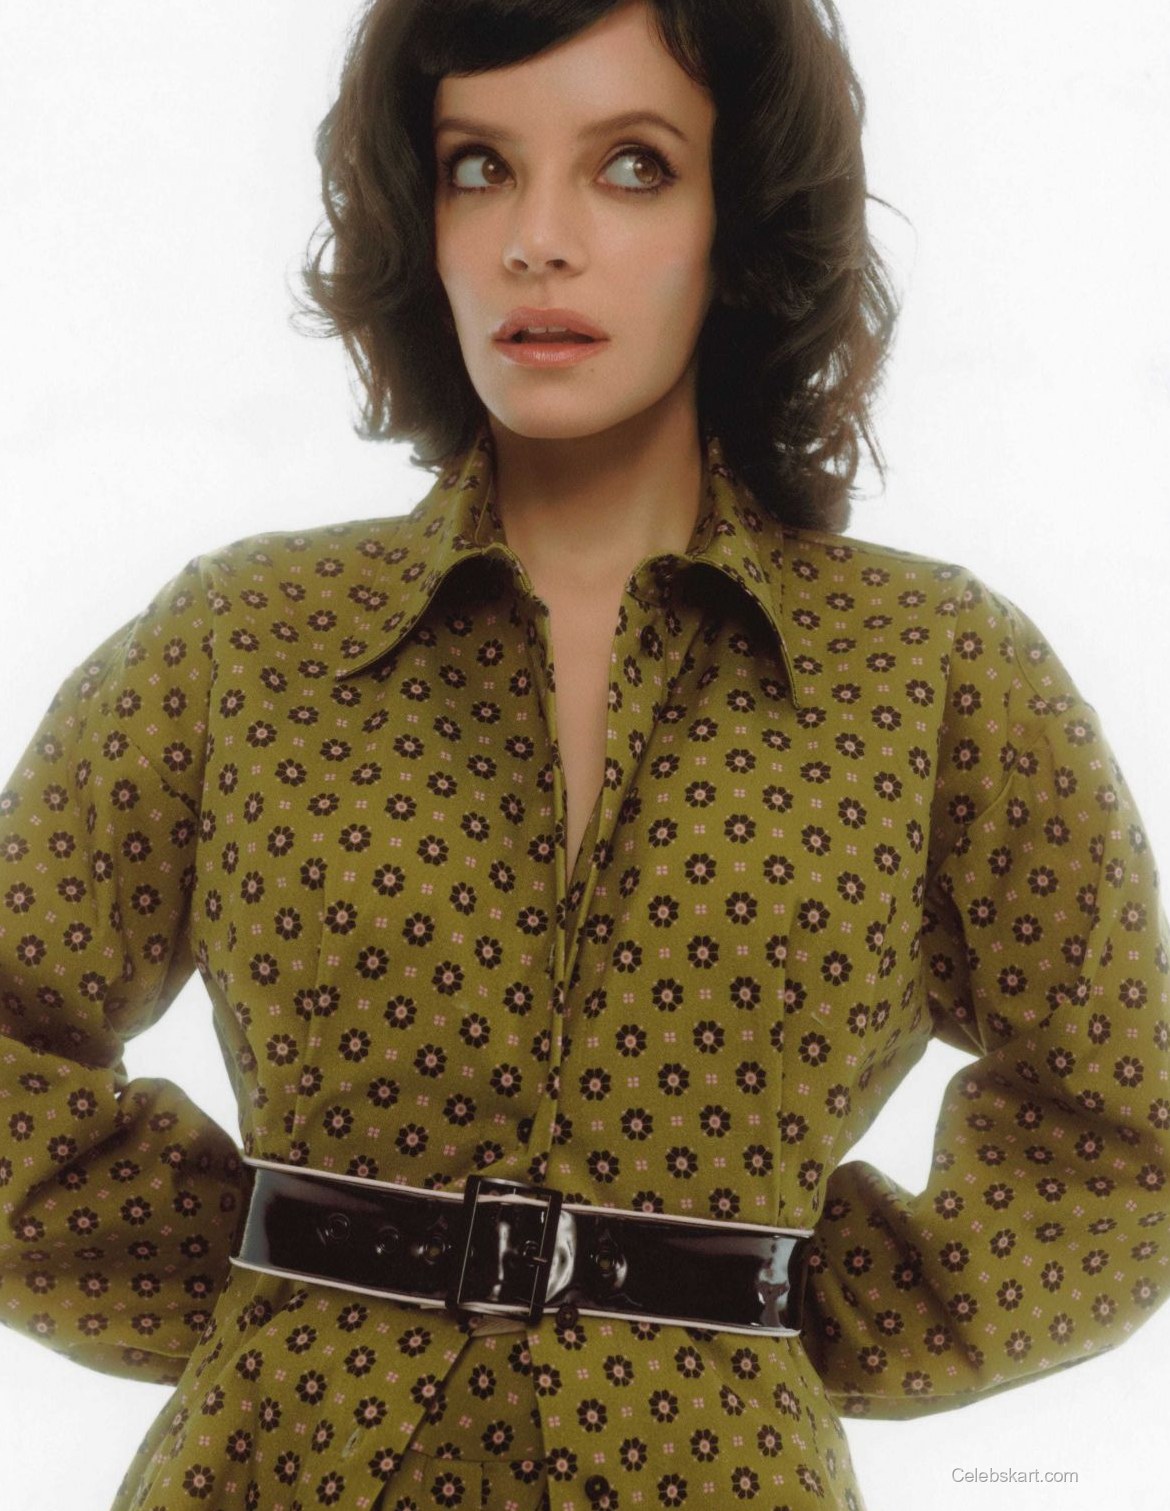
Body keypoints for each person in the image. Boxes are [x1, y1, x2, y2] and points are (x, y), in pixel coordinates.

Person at [2, 2, 1167, 1509]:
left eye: (630, 166)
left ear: (739, 219)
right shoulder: (247, 641)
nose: (535, 242)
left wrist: (766, 1315)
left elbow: (1123, 1129)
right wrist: (268, 1285)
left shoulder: (933, 671)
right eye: (478, 167)